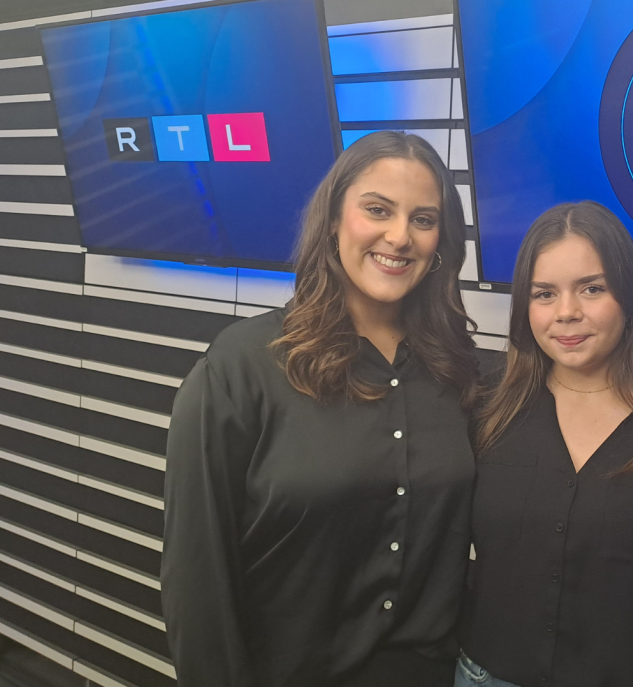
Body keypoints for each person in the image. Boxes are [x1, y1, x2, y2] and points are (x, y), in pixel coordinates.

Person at [162, 131, 479, 687]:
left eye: (423, 219)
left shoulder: (461, 373)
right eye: (377, 209)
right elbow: (198, 580)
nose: (400, 236)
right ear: (334, 219)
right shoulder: (241, 370)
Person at [456, 202, 633, 687]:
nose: (566, 313)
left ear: (627, 296)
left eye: (592, 289)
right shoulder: (486, 407)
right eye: (544, 294)